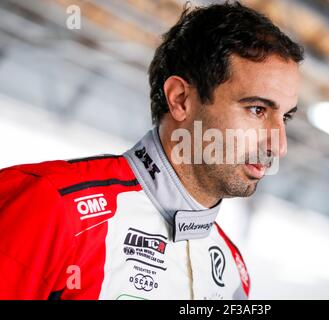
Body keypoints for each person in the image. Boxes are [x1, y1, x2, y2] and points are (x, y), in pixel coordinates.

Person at [0, 1, 303, 299]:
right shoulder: (51, 206)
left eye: (285, 117)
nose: (279, 145)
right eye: (257, 109)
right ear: (181, 99)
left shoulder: (233, 275)